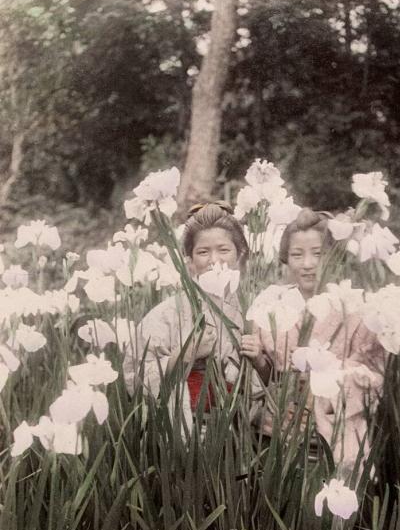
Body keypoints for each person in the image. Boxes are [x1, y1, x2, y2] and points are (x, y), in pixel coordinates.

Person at [241, 208, 385, 478]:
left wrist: (326, 380)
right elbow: (268, 375)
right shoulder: (272, 302)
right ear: (286, 258)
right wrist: (259, 361)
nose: (307, 263)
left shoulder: (355, 307)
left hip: (334, 430)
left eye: (317, 254)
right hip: (278, 429)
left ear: (334, 256)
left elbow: (373, 374)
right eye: (297, 254)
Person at [123, 201, 249, 435]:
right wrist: (185, 355)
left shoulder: (252, 312)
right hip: (181, 431)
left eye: (224, 250)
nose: (214, 260)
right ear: (189, 262)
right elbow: (134, 377)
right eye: (203, 251)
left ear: (239, 256)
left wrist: (258, 359)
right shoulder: (166, 314)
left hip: (239, 432)